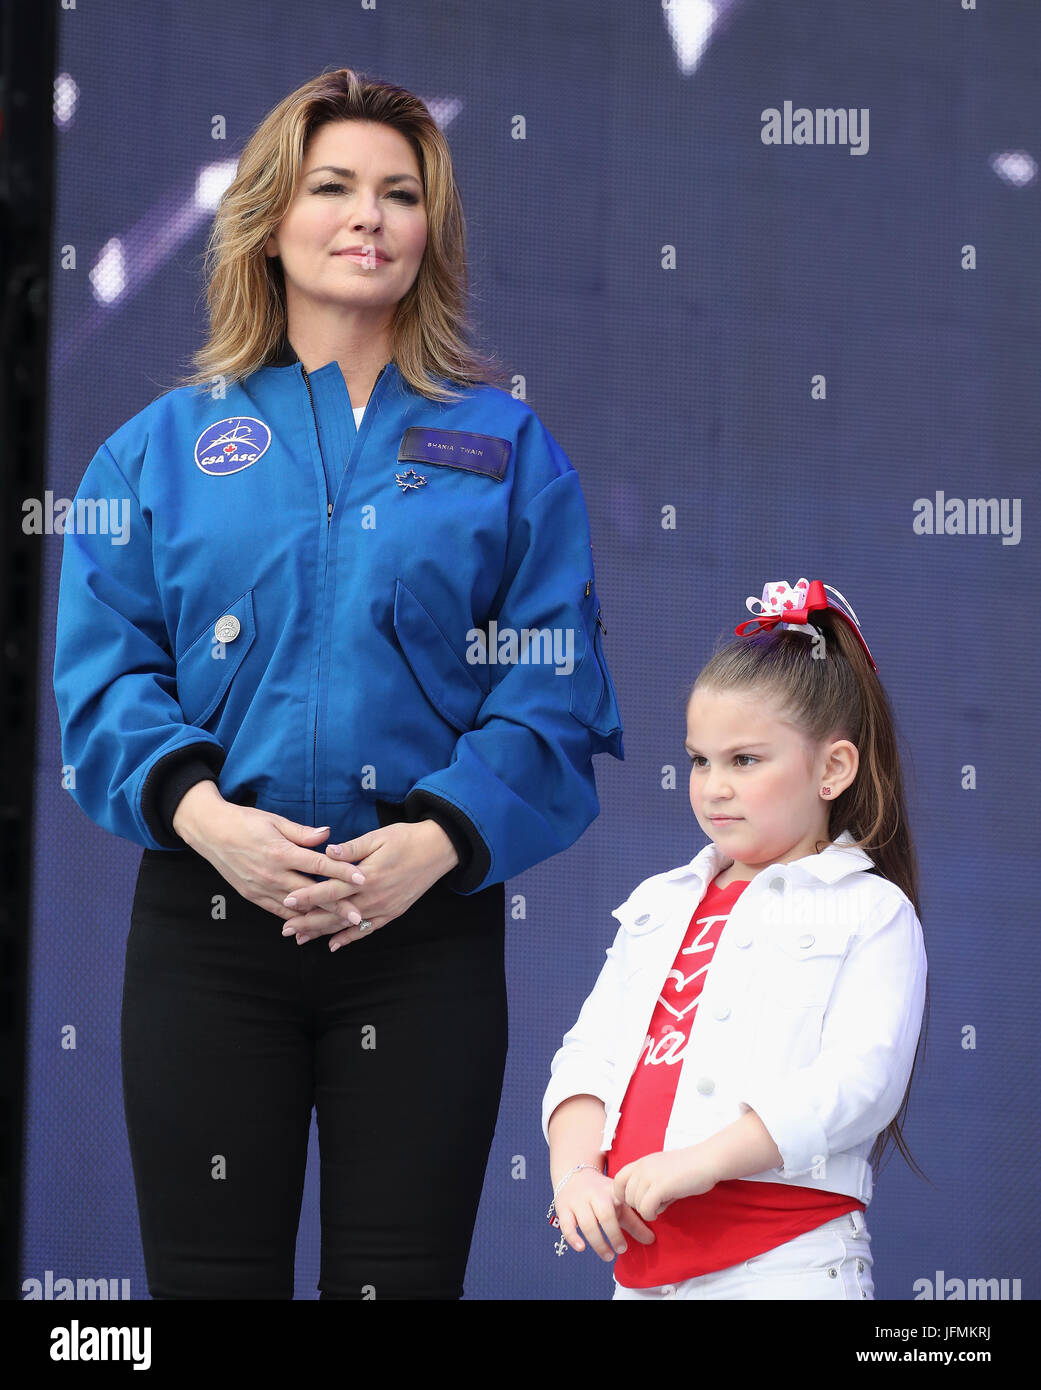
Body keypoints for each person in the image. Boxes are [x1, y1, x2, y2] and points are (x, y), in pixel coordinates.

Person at [52, 67, 623, 1300]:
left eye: (401, 193)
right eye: (335, 185)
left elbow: (553, 687)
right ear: (270, 217)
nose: (370, 215)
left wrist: (431, 843)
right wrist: (215, 827)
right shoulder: (155, 448)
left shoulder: (509, 450)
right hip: (209, 933)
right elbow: (103, 682)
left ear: (431, 234)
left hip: (423, 940)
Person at [542, 578, 928, 1300]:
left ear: (832, 769)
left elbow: (859, 1083)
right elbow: (587, 1055)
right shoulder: (657, 904)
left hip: (787, 1268)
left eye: (744, 760)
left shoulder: (870, 911)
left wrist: (701, 1161)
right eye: (699, 760)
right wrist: (573, 1171)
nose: (712, 786)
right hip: (643, 1276)